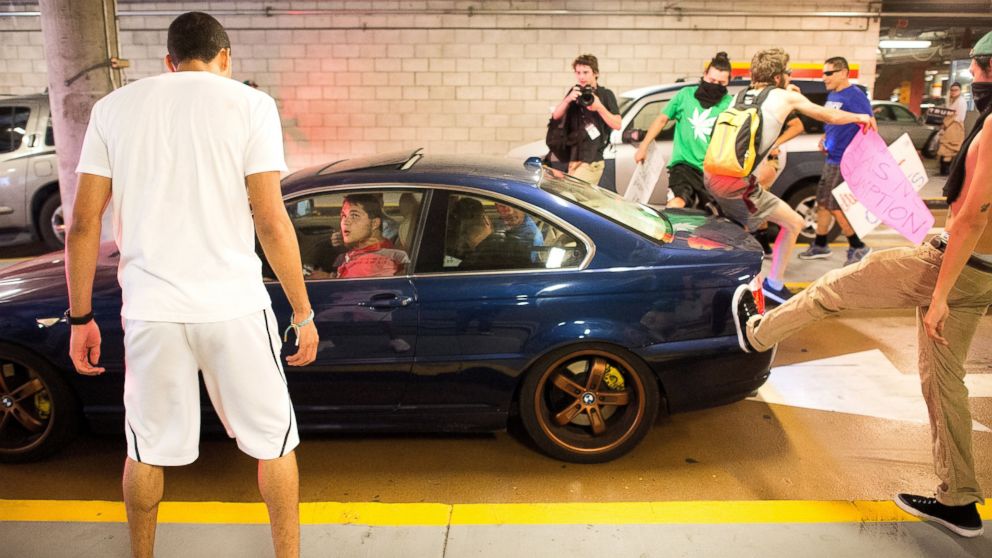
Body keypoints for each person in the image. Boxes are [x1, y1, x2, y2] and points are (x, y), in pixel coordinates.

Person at [65, 12, 317, 558]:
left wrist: (81, 318)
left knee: (144, 450)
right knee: (274, 443)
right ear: (226, 57)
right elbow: (271, 220)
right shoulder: (251, 106)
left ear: (168, 61)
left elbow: (84, 223)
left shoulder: (112, 110)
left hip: (151, 311)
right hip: (235, 308)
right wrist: (303, 311)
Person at [733, 31, 992, 539]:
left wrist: (938, 294)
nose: (976, 79)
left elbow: (974, 214)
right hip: (982, 275)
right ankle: (958, 498)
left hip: (949, 268)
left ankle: (757, 334)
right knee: (943, 383)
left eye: (980, 69)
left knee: (835, 286)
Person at [704, 48, 876, 304]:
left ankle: (747, 282)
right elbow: (827, 114)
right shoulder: (784, 97)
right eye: (788, 72)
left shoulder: (738, 96)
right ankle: (767, 285)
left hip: (713, 175)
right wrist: (860, 116)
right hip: (737, 186)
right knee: (791, 224)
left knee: (743, 227)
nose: (790, 76)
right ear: (777, 77)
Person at [798, 56, 874, 266]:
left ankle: (858, 246)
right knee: (823, 201)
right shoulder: (833, 94)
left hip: (844, 160)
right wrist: (825, 137)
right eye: (823, 73)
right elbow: (832, 121)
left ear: (843, 73)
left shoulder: (855, 95)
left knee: (833, 203)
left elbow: (870, 124)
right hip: (832, 156)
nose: (824, 77)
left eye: (828, 73)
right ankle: (821, 244)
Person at [634, 52, 733, 210]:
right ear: (704, 75)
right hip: (683, 166)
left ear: (728, 82)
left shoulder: (730, 104)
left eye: (721, 83)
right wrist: (643, 146)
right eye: (712, 80)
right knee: (677, 203)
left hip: (711, 172)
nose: (715, 85)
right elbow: (661, 119)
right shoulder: (685, 96)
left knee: (714, 214)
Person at [550, 54, 621, 186]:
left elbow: (617, 124)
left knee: (571, 194)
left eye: (585, 72)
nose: (581, 77)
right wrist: (568, 99)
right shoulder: (574, 91)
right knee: (579, 200)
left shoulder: (605, 95)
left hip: (592, 160)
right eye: (578, 72)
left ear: (595, 73)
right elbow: (556, 116)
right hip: (573, 159)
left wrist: (599, 107)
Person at [311, 194, 409, 279]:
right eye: (343, 216)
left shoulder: (367, 265)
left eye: (354, 216)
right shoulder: (379, 246)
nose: (345, 222)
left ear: (374, 223)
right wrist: (330, 277)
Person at [937, 82, 968, 176]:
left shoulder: (961, 101)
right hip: (949, 127)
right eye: (952, 90)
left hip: (955, 128)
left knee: (949, 150)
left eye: (956, 90)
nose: (953, 92)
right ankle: (944, 171)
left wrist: (948, 122)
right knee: (945, 150)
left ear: (960, 91)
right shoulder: (952, 100)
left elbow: (959, 117)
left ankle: (946, 171)